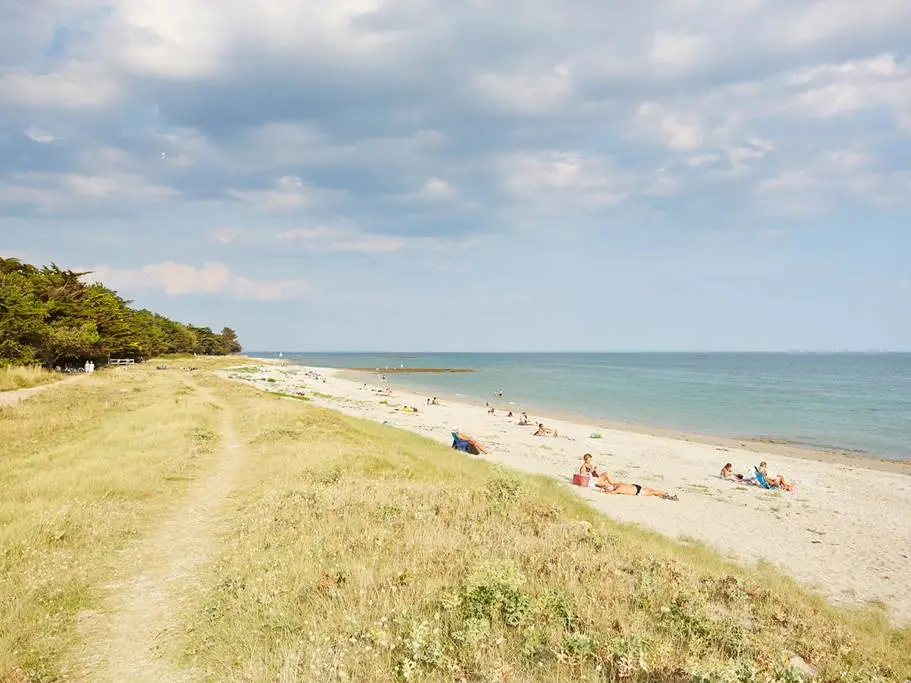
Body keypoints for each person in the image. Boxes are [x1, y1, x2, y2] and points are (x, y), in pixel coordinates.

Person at [594, 470, 678, 500]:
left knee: (652, 490)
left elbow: (607, 484)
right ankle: (665, 494)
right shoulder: (617, 489)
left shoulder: (616, 484)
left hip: (636, 486)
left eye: (609, 486)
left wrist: (604, 488)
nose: (610, 485)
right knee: (652, 492)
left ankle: (664, 493)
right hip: (637, 491)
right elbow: (612, 493)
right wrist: (605, 491)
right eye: (609, 487)